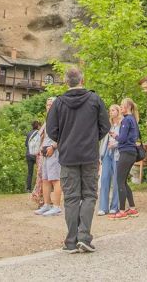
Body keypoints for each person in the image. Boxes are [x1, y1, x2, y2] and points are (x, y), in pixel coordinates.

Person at [46, 67, 110, 253]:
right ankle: (84, 237)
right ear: (82, 80)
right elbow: (104, 126)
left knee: (72, 197)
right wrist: (91, 139)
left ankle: (71, 241)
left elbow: (52, 130)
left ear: (67, 82)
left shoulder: (58, 103)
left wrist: (64, 141)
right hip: (89, 155)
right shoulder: (94, 99)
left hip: (67, 156)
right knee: (89, 195)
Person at [109, 97, 141, 220]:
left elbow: (122, 139)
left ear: (128, 107)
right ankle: (132, 209)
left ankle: (122, 211)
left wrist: (114, 135)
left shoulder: (126, 120)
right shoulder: (133, 119)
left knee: (120, 181)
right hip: (131, 152)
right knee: (124, 181)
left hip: (126, 152)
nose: (121, 108)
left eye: (122, 106)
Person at [34, 97, 63, 216]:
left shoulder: (60, 118)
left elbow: (63, 135)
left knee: (55, 179)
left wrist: (53, 147)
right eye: (47, 104)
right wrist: (41, 147)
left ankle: (56, 207)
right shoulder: (47, 120)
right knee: (45, 179)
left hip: (54, 152)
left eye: (51, 104)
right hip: (45, 152)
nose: (49, 106)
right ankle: (47, 204)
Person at [97, 105, 122, 216]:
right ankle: (103, 207)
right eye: (110, 110)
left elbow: (124, 139)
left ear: (118, 111)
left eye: (113, 110)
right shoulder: (108, 125)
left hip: (117, 154)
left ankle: (114, 206)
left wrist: (116, 144)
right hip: (107, 153)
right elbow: (103, 140)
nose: (111, 112)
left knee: (116, 180)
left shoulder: (123, 124)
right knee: (104, 179)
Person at [25, 120, 41, 193]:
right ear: (38, 126)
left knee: (30, 172)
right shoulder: (39, 133)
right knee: (39, 171)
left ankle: (28, 188)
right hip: (36, 155)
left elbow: (26, 144)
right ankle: (38, 188)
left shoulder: (29, 133)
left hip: (28, 154)